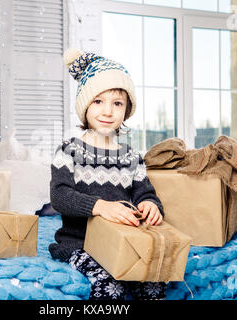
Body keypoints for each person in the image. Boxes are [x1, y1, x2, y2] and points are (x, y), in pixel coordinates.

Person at [49, 48, 167, 300]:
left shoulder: (131, 157)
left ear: (126, 110)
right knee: (109, 284)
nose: (108, 111)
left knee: (154, 283)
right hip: (80, 244)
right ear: (85, 106)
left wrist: (150, 204)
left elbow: (145, 193)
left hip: (125, 242)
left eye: (117, 103)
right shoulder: (69, 150)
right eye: (98, 101)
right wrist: (100, 206)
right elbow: (60, 196)